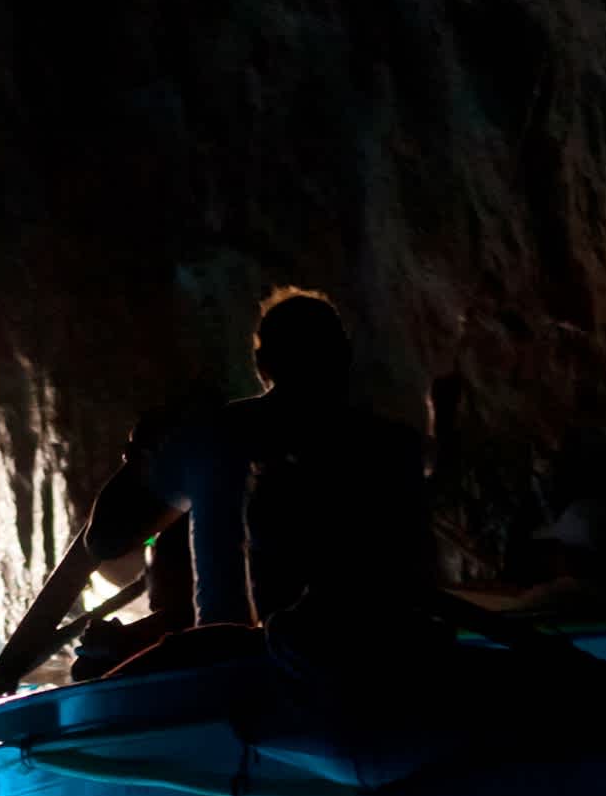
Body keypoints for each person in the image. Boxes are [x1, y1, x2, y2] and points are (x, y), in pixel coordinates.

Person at [57, 288, 433, 679]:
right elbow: (418, 575)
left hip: (234, 666)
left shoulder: (211, 436)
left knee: (89, 670)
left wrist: (141, 453)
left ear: (261, 363)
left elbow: (105, 540)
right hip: (371, 662)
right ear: (345, 354)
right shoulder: (396, 447)